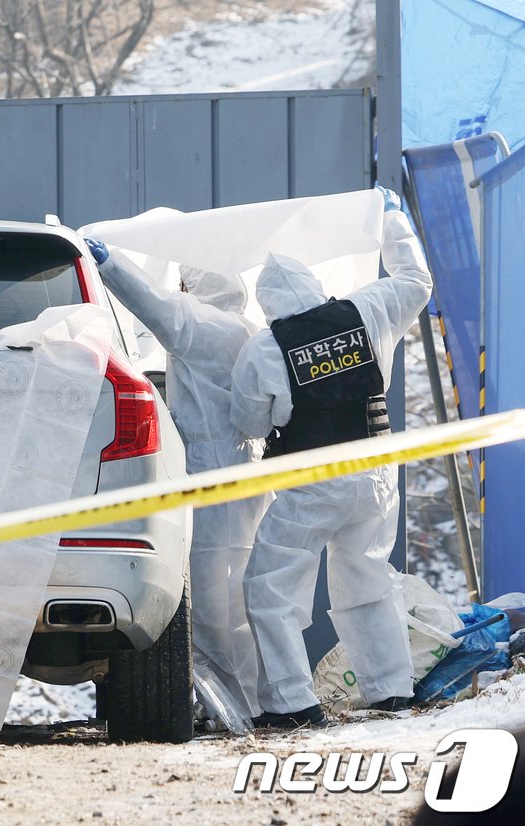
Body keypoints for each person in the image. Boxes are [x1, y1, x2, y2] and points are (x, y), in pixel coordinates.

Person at [230, 187, 432, 727]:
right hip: (375, 472)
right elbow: (416, 282)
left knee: (269, 588)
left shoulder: (265, 347)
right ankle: (392, 690)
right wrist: (393, 220)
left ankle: (292, 702)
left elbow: (250, 423)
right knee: (366, 577)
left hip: (312, 482)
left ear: (269, 303)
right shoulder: (365, 309)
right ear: (316, 288)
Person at [83, 237, 269, 724]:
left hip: (217, 477)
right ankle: (243, 705)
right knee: (236, 601)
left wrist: (111, 264)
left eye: (187, 281)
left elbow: (161, 309)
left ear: (198, 282)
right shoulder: (245, 328)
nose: (181, 289)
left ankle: (232, 712)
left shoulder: (210, 326)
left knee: (214, 606)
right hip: (241, 470)